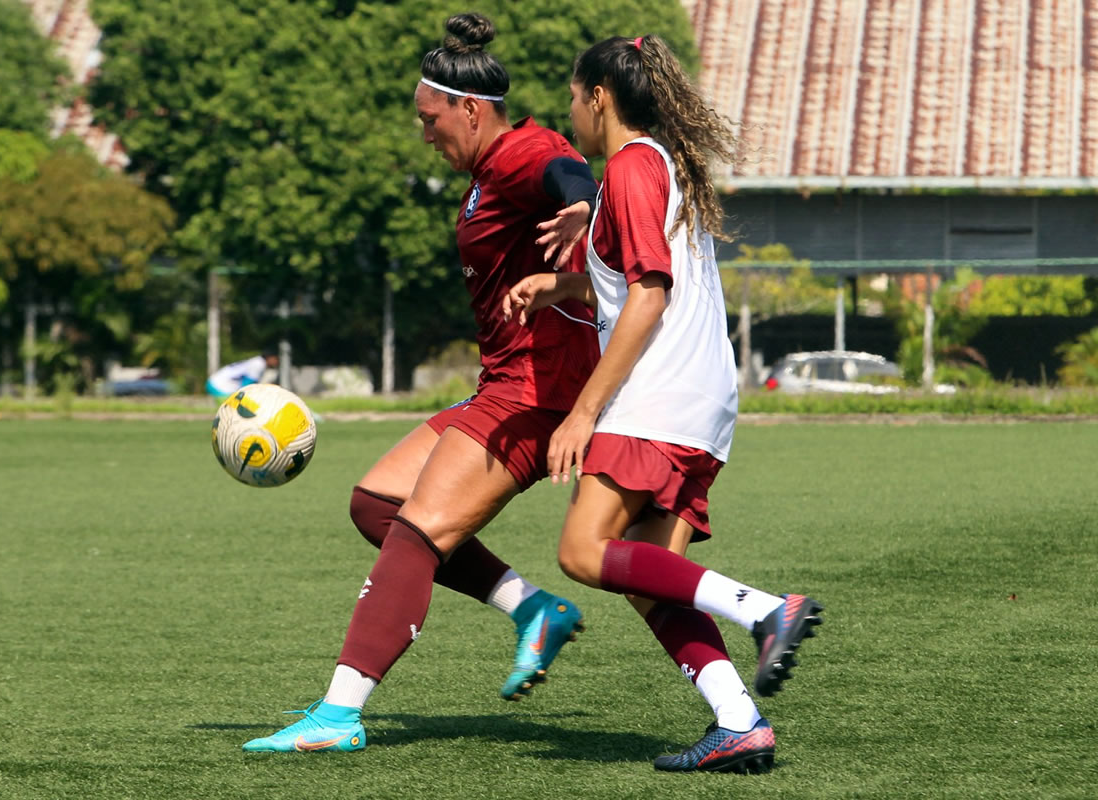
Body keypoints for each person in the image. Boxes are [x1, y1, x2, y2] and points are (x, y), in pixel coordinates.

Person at [242, 13, 602, 753]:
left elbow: (562, 171)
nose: (423, 132)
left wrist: (581, 204)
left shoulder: (520, 151)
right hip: (501, 382)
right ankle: (532, 609)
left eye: (428, 117)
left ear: (468, 109)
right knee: (376, 503)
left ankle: (338, 714)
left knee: (417, 534)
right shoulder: (481, 174)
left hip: (540, 391)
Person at [502, 34, 824, 774]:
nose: (571, 113)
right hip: (704, 400)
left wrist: (584, 411)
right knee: (648, 576)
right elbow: (632, 279)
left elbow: (650, 294)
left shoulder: (630, 168)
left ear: (600, 98)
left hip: (659, 397)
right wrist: (562, 286)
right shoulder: (664, 168)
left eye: (573, 98)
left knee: (581, 552)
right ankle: (740, 723)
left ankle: (766, 610)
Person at [205, 348, 279, 399]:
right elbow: (246, 386)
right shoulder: (259, 364)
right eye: (276, 359)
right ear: (270, 358)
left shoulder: (257, 361)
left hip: (214, 382)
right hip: (220, 386)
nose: (277, 362)